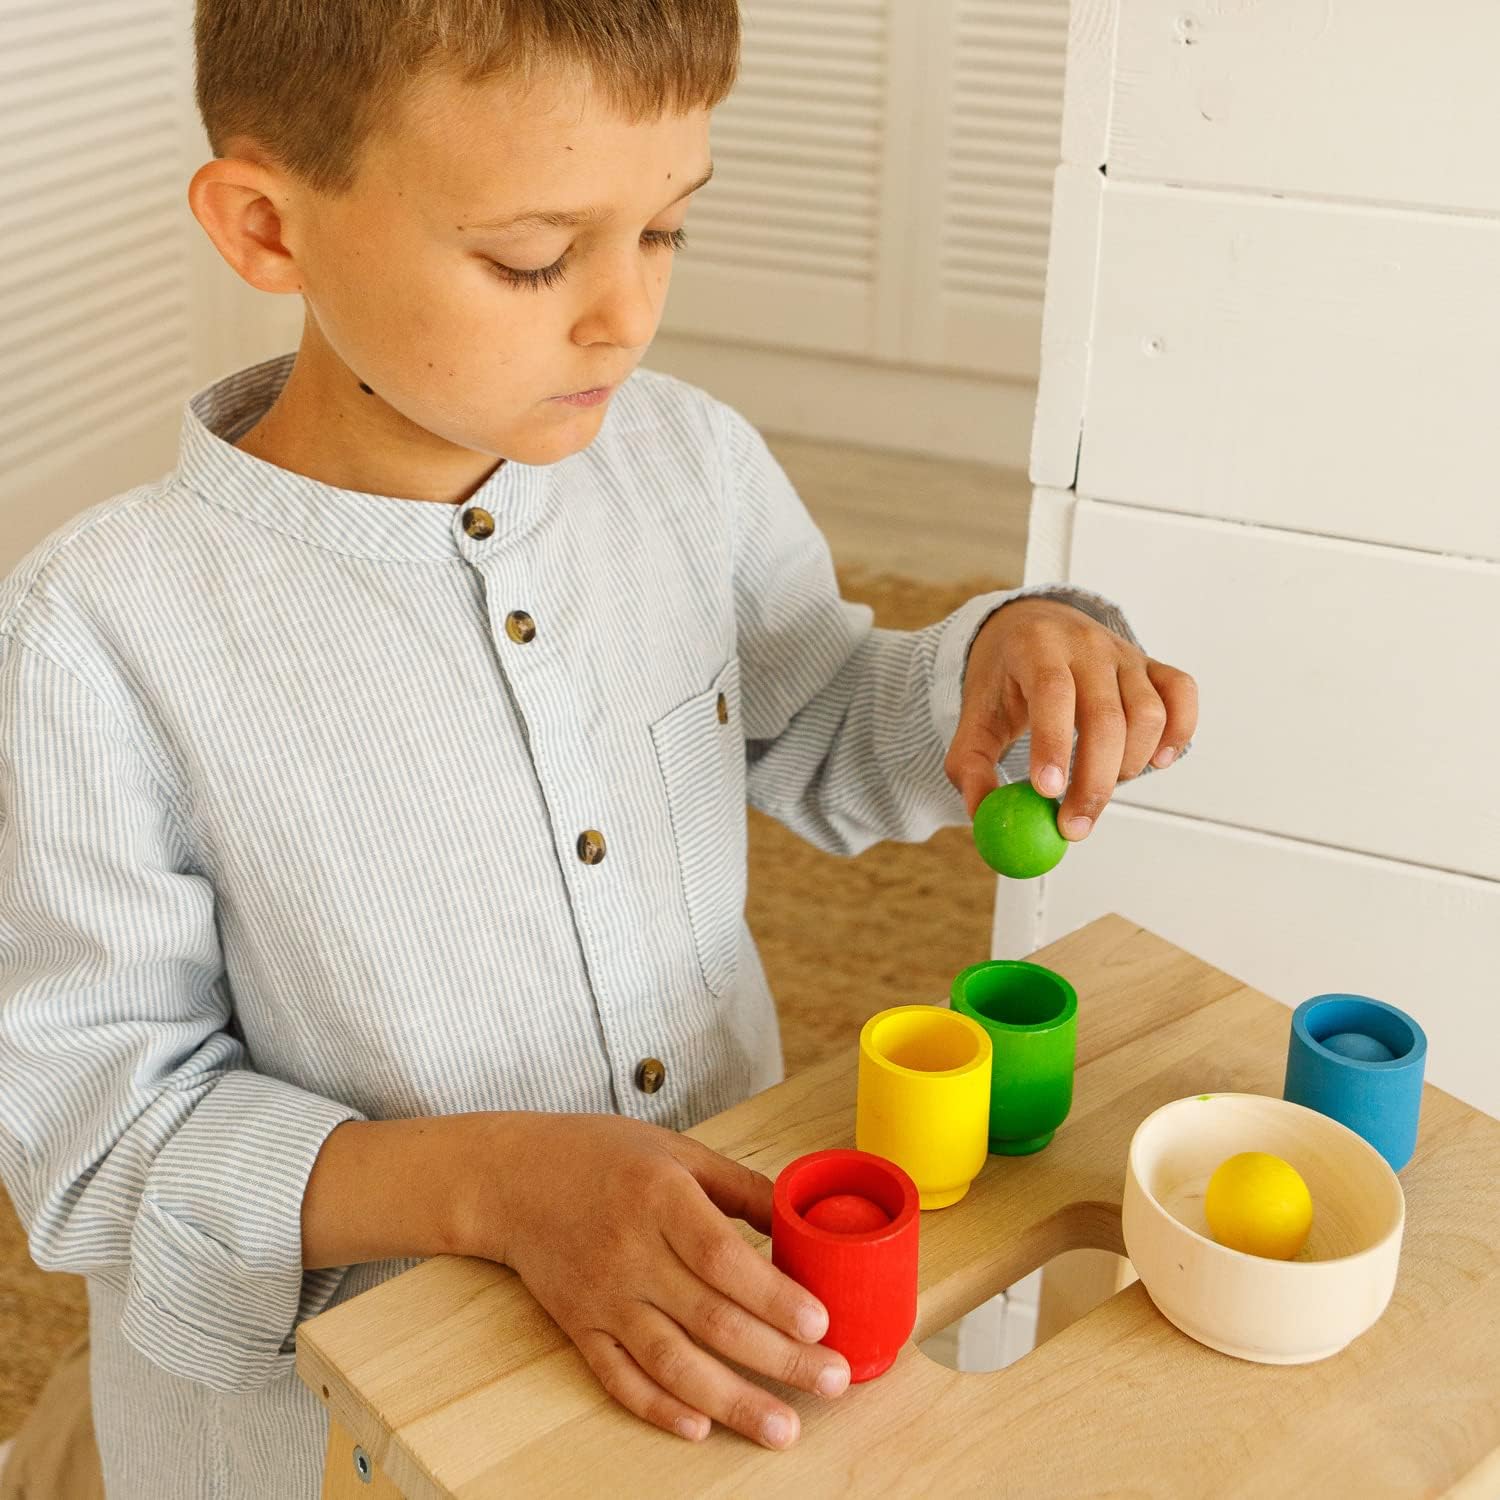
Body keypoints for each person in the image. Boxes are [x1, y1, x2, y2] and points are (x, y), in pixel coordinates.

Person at [0, 2, 1198, 1495]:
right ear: (266, 227)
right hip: (349, 1436)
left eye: (665, 231)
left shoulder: (688, 459)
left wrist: (1002, 660)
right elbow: (105, 1143)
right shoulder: (92, 635)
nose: (624, 317)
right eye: (533, 258)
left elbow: (815, 711)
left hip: (729, 1318)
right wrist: (501, 1186)